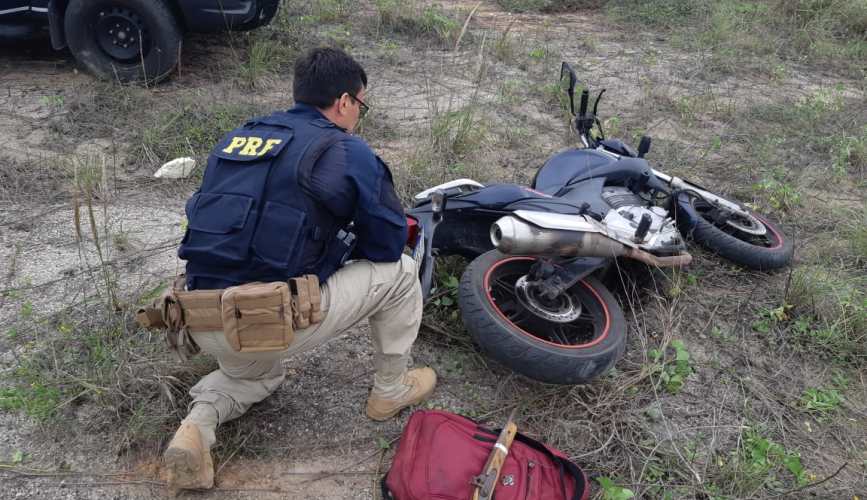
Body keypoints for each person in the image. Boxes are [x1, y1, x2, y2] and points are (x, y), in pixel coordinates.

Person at [162, 47, 437, 492]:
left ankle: (197, 426)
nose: (359, 116)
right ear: (345, 101)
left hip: (201, 317)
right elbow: (387, 244)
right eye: (361, 105)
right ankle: (390, 389)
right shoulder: (346, 150)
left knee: (254, 374)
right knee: (402, 274)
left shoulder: (238, 138)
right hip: (270, 319)